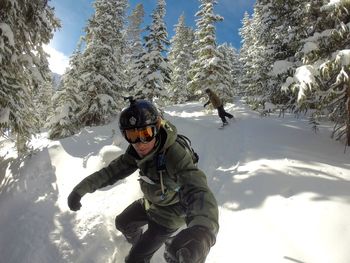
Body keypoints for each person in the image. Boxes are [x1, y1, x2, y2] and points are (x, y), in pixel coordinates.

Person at [67, 97, 219, 263]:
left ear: (157, 128)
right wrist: (80, 190)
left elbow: (197, 188)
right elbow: (111, 172)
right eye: (132, 135)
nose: (140, 143)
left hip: (169, 215)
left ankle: (140, 253)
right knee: (122, 223)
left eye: (146, 134)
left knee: (134, 260)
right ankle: (139, 244)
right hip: (151, 204)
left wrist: (202, 232)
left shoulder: (174, 154)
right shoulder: (137, 153)